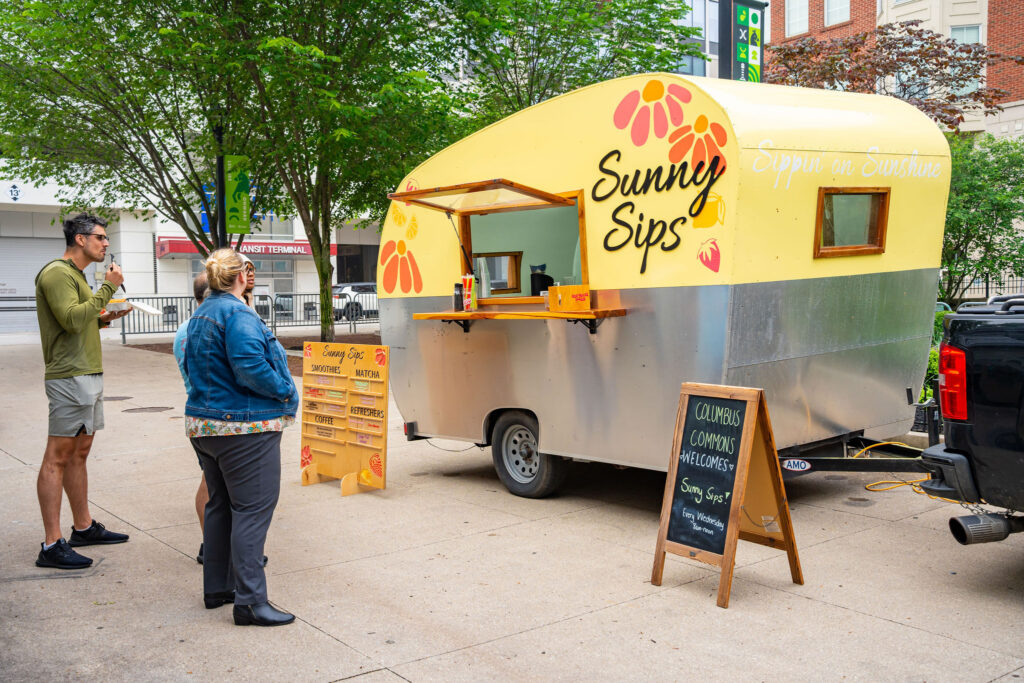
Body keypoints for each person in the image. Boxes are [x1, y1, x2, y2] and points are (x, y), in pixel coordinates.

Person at [184, 248, 298, 626]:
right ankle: (250, 602)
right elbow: (250, 366)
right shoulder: (238, 314)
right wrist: (285, 390)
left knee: (220, 506)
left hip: (206, 426)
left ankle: (218, 588)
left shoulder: (201, 313)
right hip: (244, 428)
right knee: (251, 511)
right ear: (241, 277)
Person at [34, 213, 132, 570]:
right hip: (69, 377)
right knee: (58, 456)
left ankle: (83, 527)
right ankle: (51, 544)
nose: (106, 243)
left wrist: (103, 318)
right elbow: (72, 320)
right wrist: (109, 287)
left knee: (80, 453)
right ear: (80, 239)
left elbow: (80, 319)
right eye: (100, 237)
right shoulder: (57, 273)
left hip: (87, 373)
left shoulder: (76, 276)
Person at [173, 272, 210, 563]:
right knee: (213, 485)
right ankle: (214, 547)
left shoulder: (184, 329)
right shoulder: (208, 326)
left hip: (196, 412)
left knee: (211, 481)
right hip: (216, 416)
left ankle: (212, 544)